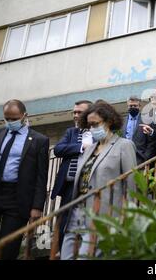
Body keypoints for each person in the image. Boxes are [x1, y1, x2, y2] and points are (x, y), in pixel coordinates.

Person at [0, 99, 49, 259]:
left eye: (14, 119)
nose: (10, 122)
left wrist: (37, 206)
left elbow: (41, 176)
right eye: (7, 118)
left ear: (25, 116)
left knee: (9, 248)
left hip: (17, 198)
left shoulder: (39, 140)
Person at [60, 102, 137, 260]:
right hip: (77, 210)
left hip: (103, 213)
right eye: (89, 125)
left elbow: (131, 185)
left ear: (108, 122)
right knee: (66, 255)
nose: (92, 128)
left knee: (85, 256)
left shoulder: (124, 145)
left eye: (95, 124)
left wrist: (128, 216)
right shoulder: (89, 149)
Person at [50, 100, 93, 250]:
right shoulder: (71, 132)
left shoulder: (99, 132)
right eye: (74, 112)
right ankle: (63, 252)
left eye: (79, 112)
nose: (75, 115)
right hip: (69, 185)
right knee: (65, 223)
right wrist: (80, 147)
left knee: (89, 222)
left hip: (91, 186)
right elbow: (58, 149)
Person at [121, 96, 156, 164]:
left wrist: (146, 157)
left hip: (141, 159)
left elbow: (151, 141)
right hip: (126, 158)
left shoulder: (147, 120)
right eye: (130, 106)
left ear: (139, 107)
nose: (133, 107)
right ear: (127, 107)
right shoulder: (123, 121)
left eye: (135, 106)